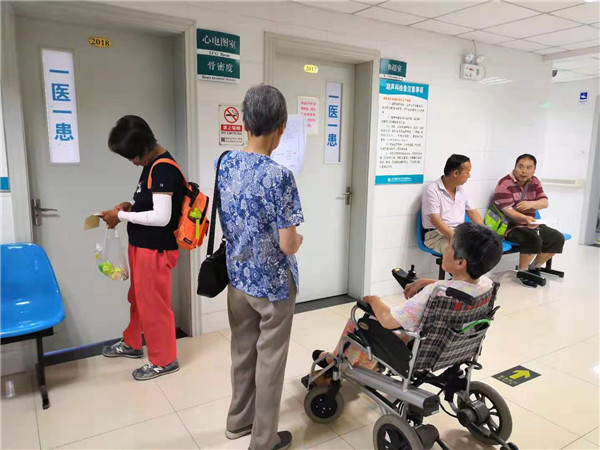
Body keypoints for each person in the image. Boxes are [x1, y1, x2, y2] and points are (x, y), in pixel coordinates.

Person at [218, 85, 304, 450]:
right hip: (273, 286)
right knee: (270, 362)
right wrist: (299, 241)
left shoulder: (225, 163)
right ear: (281, 127)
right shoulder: (279, 176)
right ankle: (264, 440)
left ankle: (238, 422)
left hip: (237, 279)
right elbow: (288, 244)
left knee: (242, 353)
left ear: (245, 123)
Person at [313, 223, 503, 370]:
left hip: (414, 352)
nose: (445, 250)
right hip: (453, 349)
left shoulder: (435, 293)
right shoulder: (486, 285)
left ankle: (335, 360)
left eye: (449, 247)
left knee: (361, 320)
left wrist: (374, 300)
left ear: (460, 263)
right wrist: (425, 281)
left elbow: (388, 321)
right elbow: (456, 286)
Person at [100, 115, 185, 381]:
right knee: (138, 298)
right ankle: (133, 343)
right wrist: (130, 206)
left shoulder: (163, 168)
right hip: (141, 246)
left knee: (155, 305)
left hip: (155, 250)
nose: (133, 162)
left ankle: (164, 360)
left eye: (133, 156)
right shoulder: (151, 165)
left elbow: (161, 217)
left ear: (145, 147)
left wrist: (121, 216)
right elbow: (151, 205)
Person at [494, 153, 565, 273]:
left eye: (529, 168)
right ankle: (523, 271)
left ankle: (534, 267)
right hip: (511, 227)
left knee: (557, 238)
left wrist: (531, 204)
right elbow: (508, 211)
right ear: (515, 167)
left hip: (532, 224)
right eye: (520, 167)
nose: (524, 171)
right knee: (533, 239)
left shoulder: (535, 181)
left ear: (534, 170)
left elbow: (544, 202)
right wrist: (525, 218)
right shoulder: (504, 184)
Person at [421, 154, 483, 254]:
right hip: (437, 235)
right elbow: (435, 220)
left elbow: (473, 213)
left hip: (459, 233)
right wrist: (455, 237)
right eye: (467, 172)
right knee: (461, 252)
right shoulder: (432, 190)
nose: (469, 176)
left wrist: (486, 233)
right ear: (456, 173)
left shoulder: (461, 190)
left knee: (483, 248)